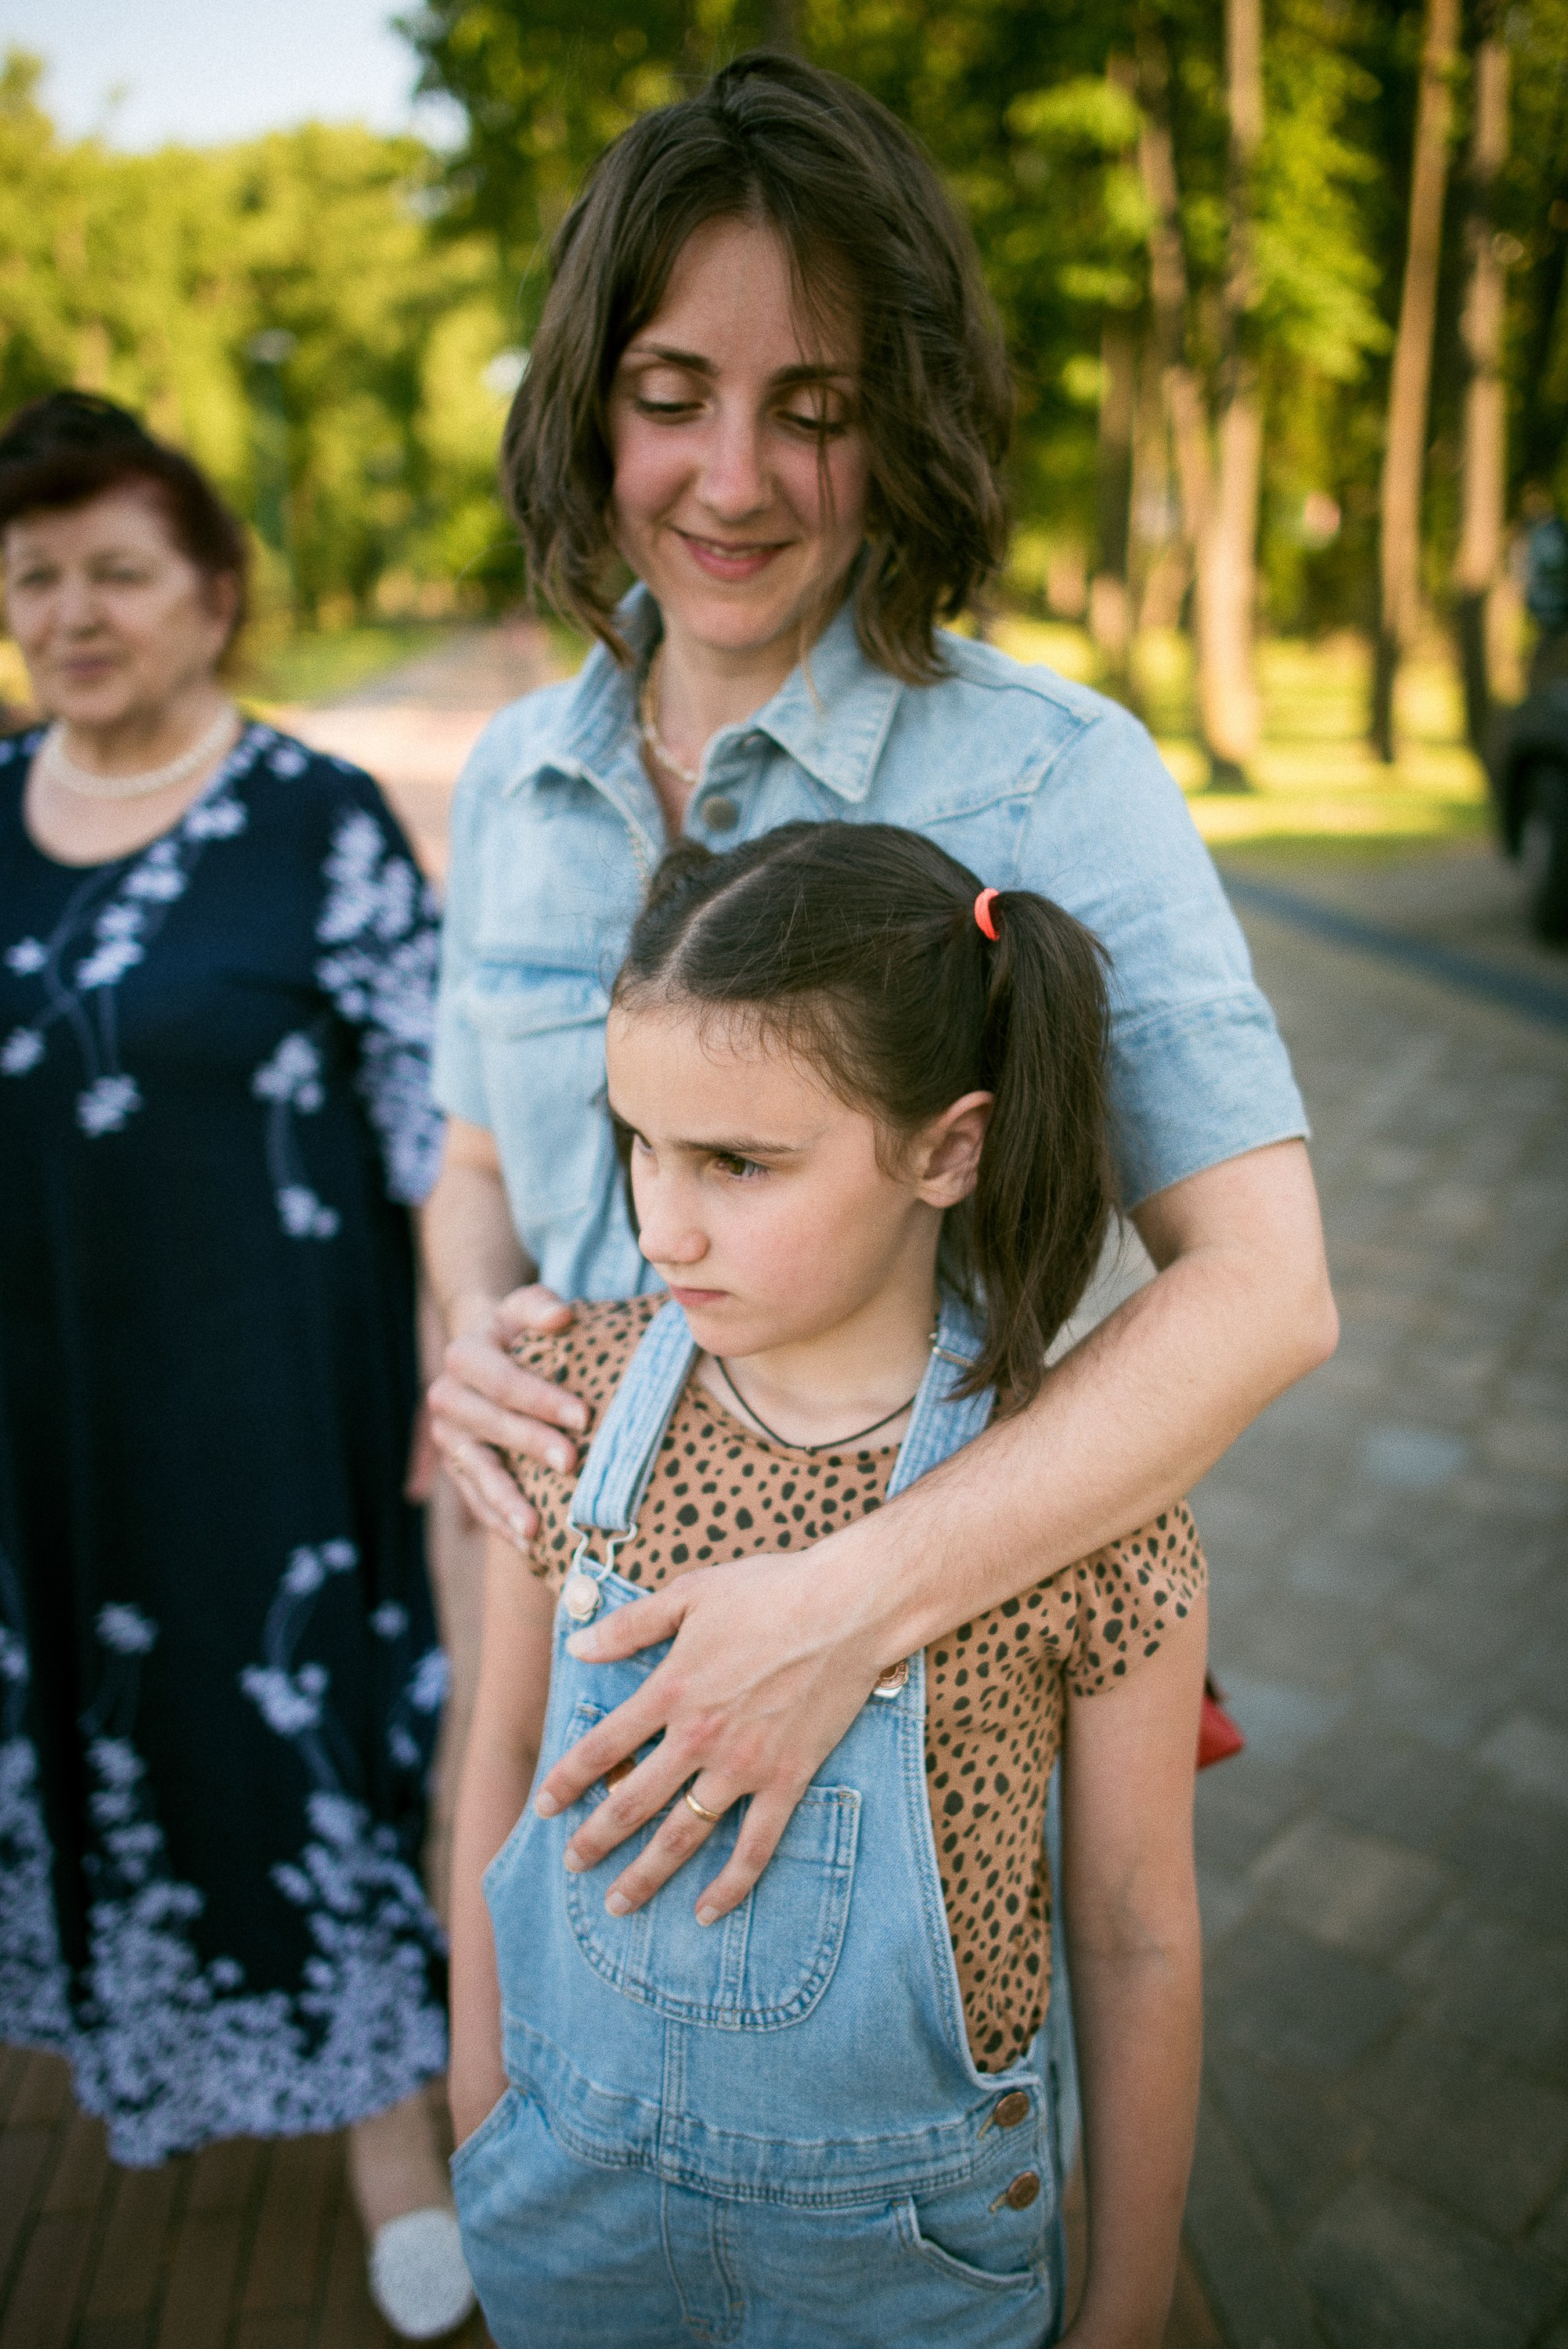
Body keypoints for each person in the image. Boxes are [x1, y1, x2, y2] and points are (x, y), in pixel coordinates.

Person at [423, 52, 1335, 1936]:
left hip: (904, 1735)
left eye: (812, 410)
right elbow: (468, 1159)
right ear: (592, 409)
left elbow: (1266, 1291)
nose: (732, 483)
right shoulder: (517, 776)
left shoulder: (1052, 777)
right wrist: (472, 1337)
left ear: (902, 419)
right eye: (672, 400)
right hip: (550, 1646)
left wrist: (844, 1607)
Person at [449, 822, 1206, 2347]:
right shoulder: (565, 1413)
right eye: (639, 1144)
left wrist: (1124, 2309)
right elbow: (495, 1777)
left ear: (949, 1147)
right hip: (561, 2211)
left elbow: (1133, 1924)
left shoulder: (1086, 1502)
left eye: (738, 1161)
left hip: (908, 2271)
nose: (663, 1224)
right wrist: (481, 2110)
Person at [0, 394, 473, 2340]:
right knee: (83, 1740)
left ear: (213, 595)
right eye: (38, 576)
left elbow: (441, 1127)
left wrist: (466, 1363)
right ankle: (137, 2060)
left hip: (278, 1416)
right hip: (41, 1417)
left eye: (120, 569)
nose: (73, 609)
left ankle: (395, 2155)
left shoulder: (314, 824)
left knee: (296, 1740)